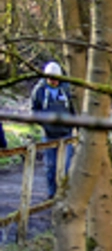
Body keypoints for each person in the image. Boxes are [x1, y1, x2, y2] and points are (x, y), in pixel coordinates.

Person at [31, 61, 74, 199]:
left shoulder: (68, 90)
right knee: (51, 167)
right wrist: (43, 123)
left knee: (66, 167)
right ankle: (52, 194)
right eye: (51, 79)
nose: (54, 82)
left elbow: (75, 110)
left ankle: (64, 194)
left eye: (56, 79)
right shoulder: (39, 90)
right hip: (49, 135)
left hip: (66, 134)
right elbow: (34, 110)